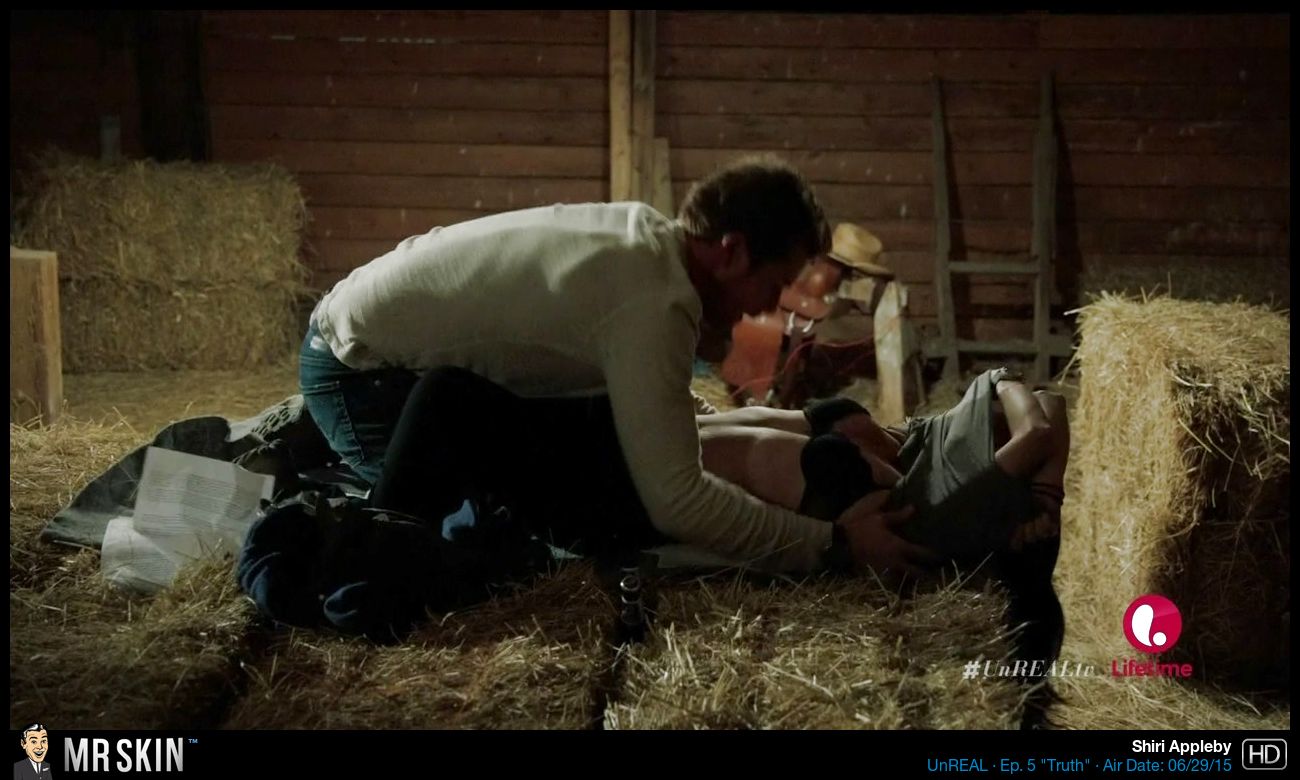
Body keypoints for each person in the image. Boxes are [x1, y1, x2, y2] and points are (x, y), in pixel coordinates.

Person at [297, 156, 925, 576]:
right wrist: (834, 546)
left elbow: (655, 399)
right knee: (577, 514)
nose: (770, 305)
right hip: (365, 381)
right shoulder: (653, 299)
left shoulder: (649, 244)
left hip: (379, 348)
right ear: (732, 252)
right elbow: (678, 503)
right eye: (775, 281)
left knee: (624, 454)